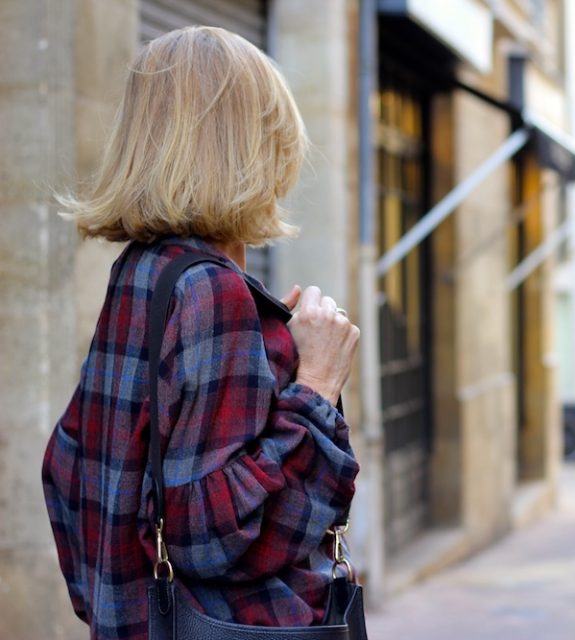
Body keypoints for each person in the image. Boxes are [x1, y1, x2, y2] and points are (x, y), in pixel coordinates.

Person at [40, 27, 361, 638]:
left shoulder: (143, 270)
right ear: (257, 143)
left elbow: (68, 469)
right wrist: (316, 386)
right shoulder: (210, 291)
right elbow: (217, 540)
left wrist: (117, 602)